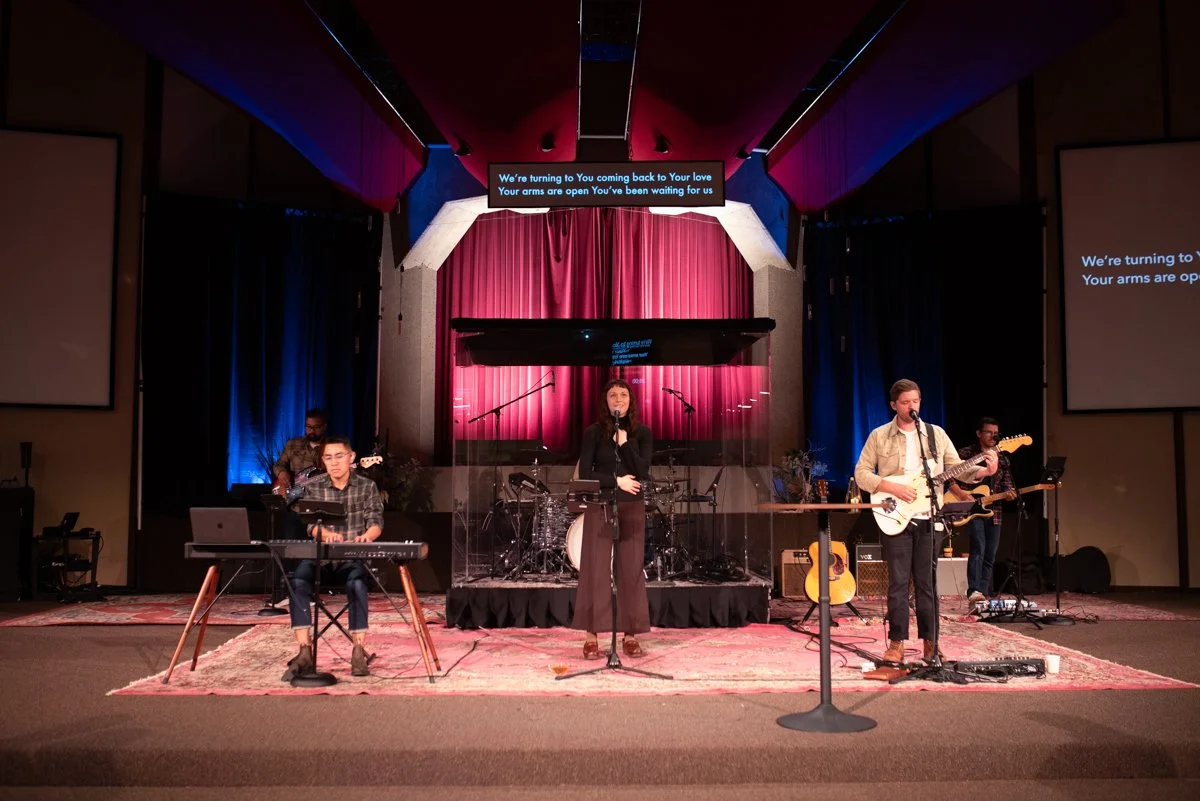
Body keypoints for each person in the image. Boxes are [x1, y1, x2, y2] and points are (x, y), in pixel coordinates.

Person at [854, 379, 997, 665]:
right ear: (894, 405)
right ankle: (896, 642)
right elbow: (862, 473)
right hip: (895, 514)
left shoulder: (935, 434)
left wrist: (984, 471)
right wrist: (892, 487)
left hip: (928, 517)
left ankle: (931, 643)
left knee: (927, 584)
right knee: (897, 582)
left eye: (916, 401)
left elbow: (956, 469)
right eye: (905, 402)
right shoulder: (879, 435)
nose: (912, 407)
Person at [282, 435, 385, 679]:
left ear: (351, 457)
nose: (334, 462)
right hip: (321, 558)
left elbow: (376, 522)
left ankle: (358, 651)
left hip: (352, 559)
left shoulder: (367, 487)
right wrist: (325, 534)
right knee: (298, 581)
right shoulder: (315, 487)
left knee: (357, 583)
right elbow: (310, 526)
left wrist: (366, 538)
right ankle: (304, 651)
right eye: (328, 458)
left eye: (339, 456)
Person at [573, 379, 652, 659]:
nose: (618, 399)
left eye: (623, 395)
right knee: (594, 569)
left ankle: (630, 635)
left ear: (631, 400)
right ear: (605, 402)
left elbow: (643, 470)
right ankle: (591, 635)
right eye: (613, 395)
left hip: (632, 507)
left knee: (630, 570)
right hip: (600, 505)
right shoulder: (593, 433)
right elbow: (586, 473)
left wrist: (626, 443)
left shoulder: (642, 433)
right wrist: (616, 481)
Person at [948, 417, 1017, 603]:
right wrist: (961, 494)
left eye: (996, 433)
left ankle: (984, 594)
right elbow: (948, 476)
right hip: (972, 508)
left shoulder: (1002, 458)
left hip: (995, 511)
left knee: (990, 554)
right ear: (979, 433)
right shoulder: (966, 453)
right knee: (978, 547)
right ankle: (974, 591)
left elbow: (1007, 484)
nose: (993, 436)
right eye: (989, 432)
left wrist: (1010, 493)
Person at [272, 408, 328, 493]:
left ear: (324, 427)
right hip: (293, 496)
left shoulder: (332, 448)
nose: (312, 430)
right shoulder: (292, 444)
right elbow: (279, 464)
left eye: (316, 427)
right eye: (308, 426)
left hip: (320, 495)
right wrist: (281, 473)